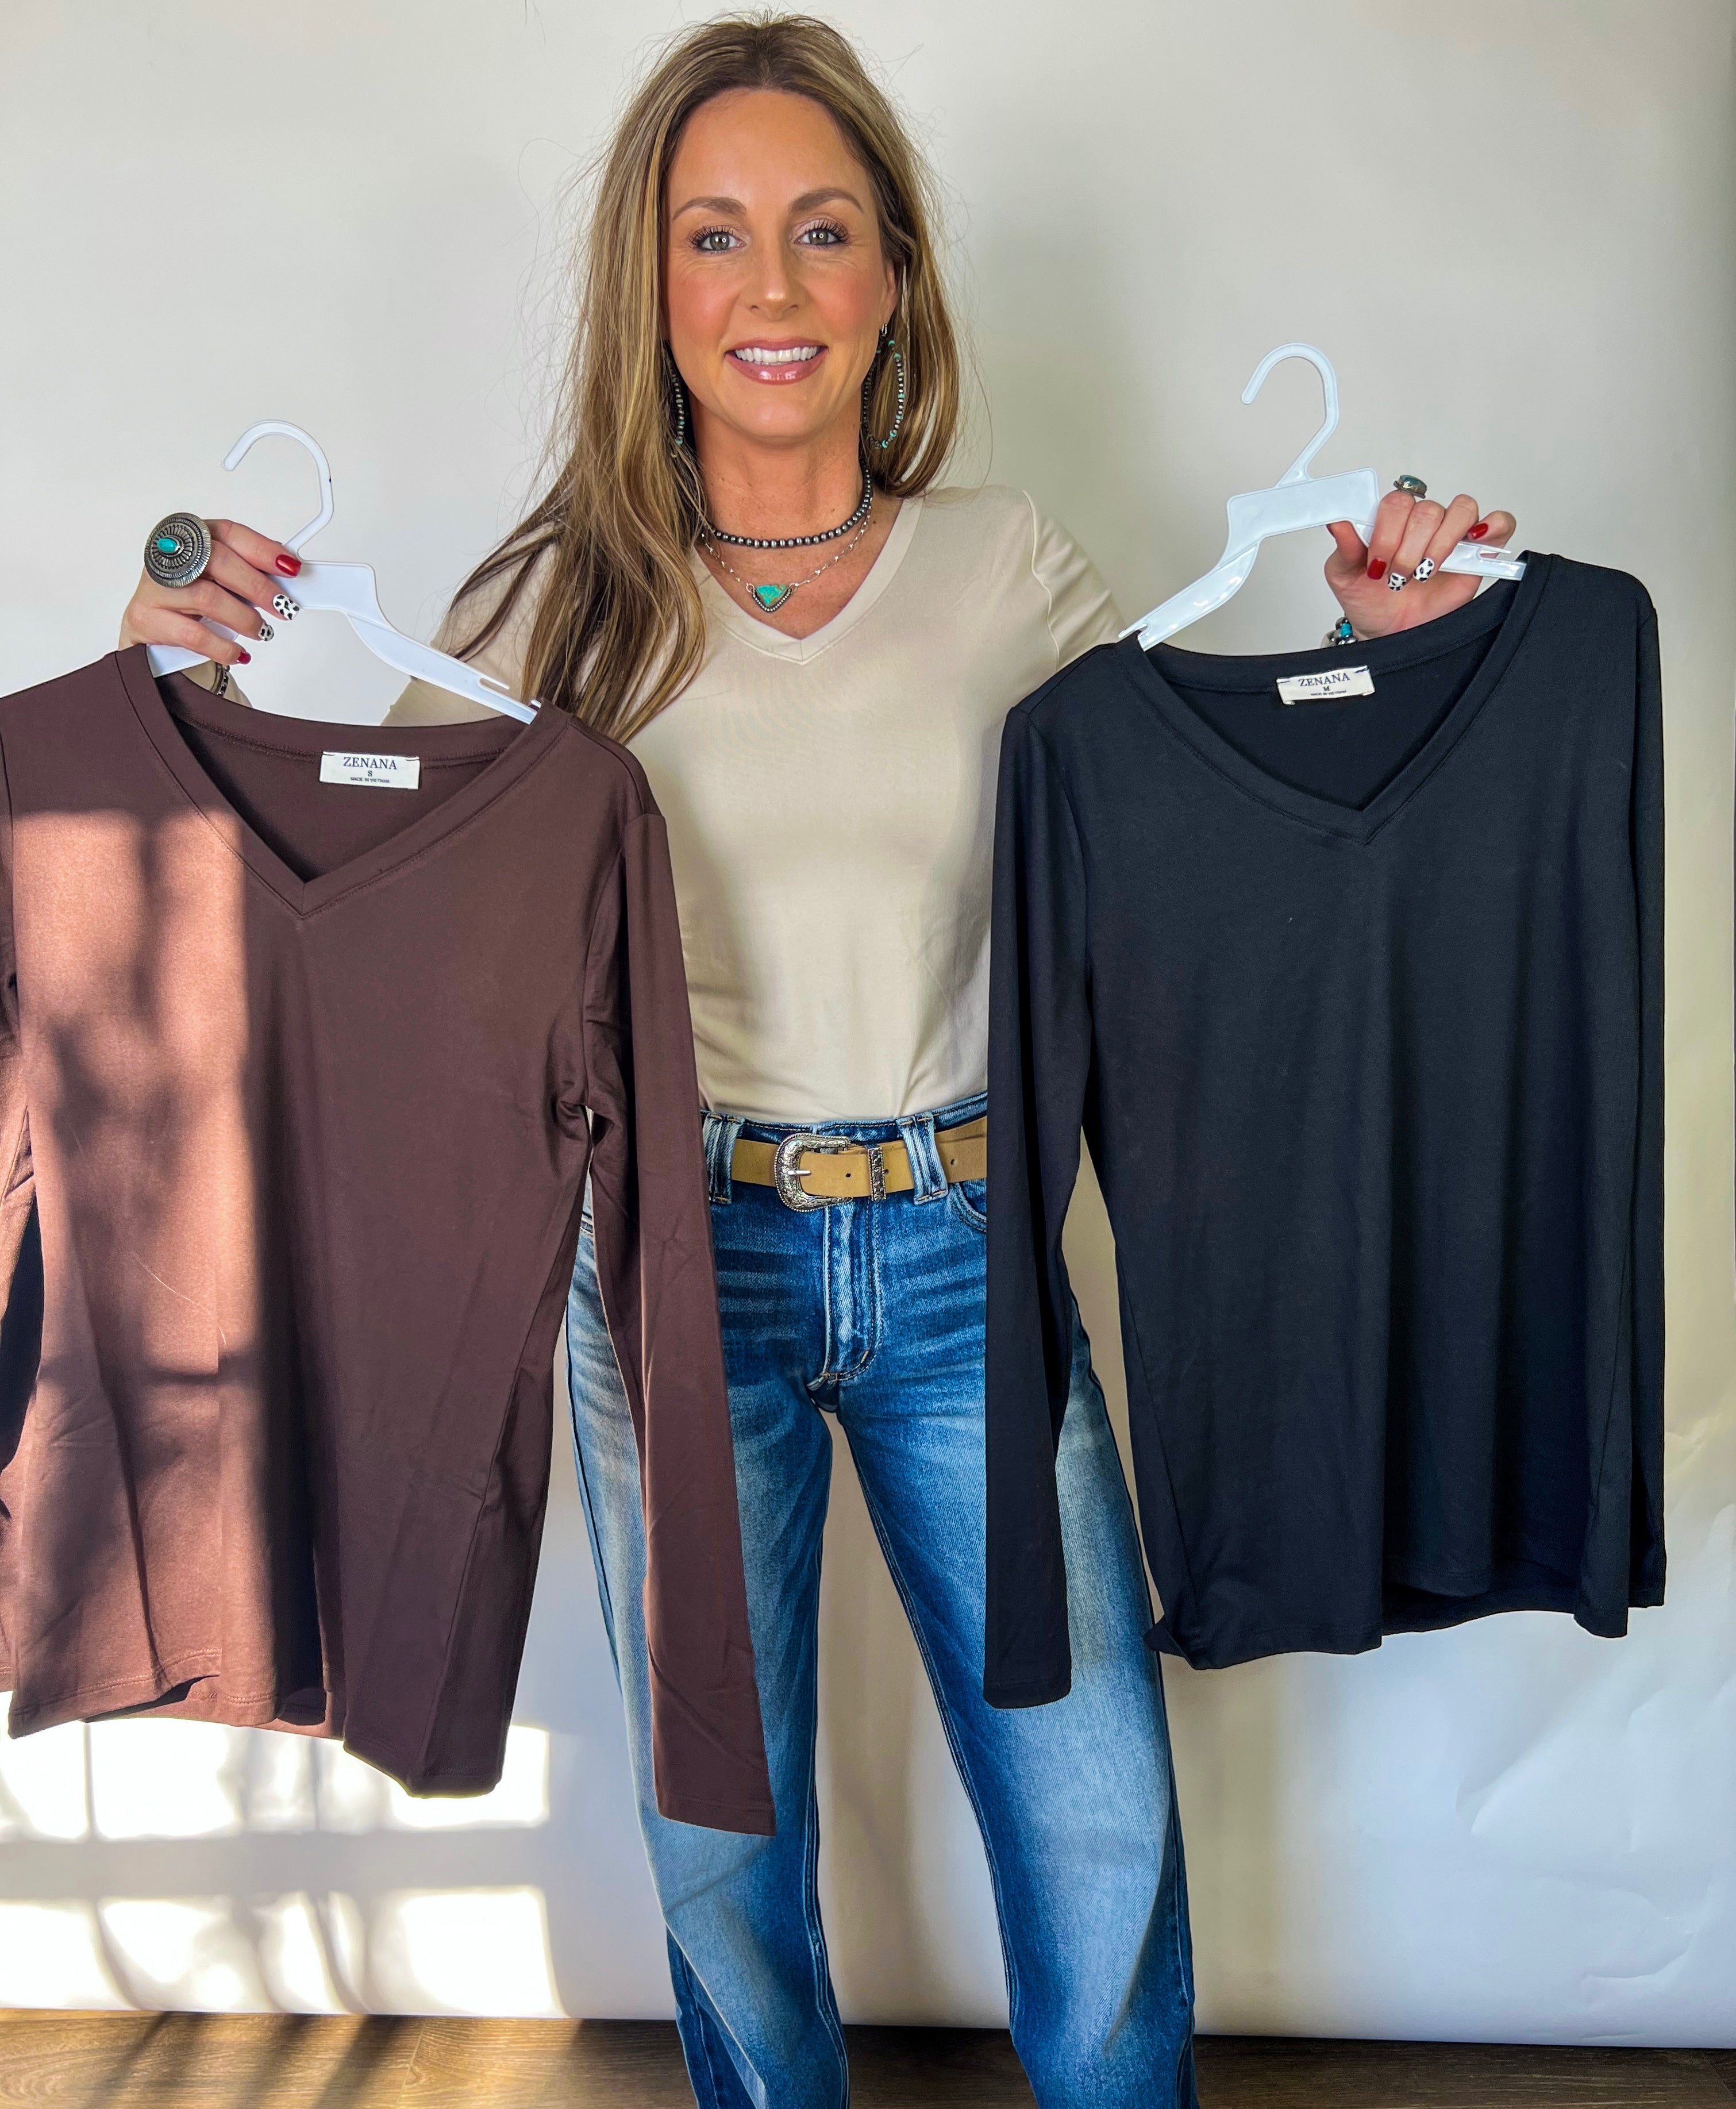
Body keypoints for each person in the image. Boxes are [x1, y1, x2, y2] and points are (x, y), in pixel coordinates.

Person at [118, 17, 1513, 2107]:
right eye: (714, 235)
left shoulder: (1008, 568)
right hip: (675, 1274)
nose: (770, 285)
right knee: (720, 1838)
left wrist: (1379, 662)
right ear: (651, 287)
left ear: (891, 280)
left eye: (823, 229)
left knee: (1098, 1820)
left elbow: (1215, 864)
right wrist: (171, 692)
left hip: (965, 1258)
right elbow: (342, 932)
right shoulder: (549, 610)